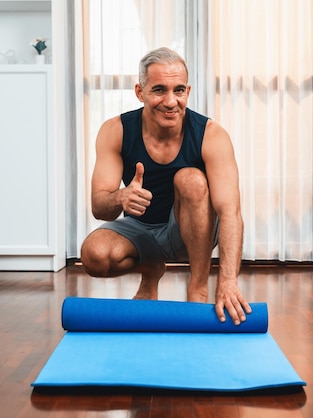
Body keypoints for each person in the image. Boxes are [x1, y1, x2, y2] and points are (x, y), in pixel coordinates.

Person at [80, 47, 251, 325]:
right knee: (94, 255)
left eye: (179, 90)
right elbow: (100, 208)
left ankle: (197, 288)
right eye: (159, 90)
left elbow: (230, 212)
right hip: (139, 229)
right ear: (140, 91)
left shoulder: (211, 135)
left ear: (188, 91)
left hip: (190, 232)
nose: (171, 101)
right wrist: (120, 198)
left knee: (191, 179)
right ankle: (151, 269)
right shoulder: (116, 130)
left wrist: (228, 282)